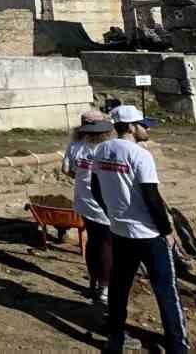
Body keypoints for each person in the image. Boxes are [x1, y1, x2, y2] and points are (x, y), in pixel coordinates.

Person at [89, 104, 187, 354]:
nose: (146, 129)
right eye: (143, 124)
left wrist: (113, 214)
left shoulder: (102, 150)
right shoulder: (140, 155)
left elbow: (96, 187)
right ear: (131, 127)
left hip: (120, 231)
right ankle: (178, 346)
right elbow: (151, 197)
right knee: (167, 291)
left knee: (120, 286)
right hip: (149, 233)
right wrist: (167, 231)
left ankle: (115, 337)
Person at [63, 110, 115, 305]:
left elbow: (67, 170)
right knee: (106, 244)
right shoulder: (105, 148)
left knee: (93, 241)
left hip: (83, 201)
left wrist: (82, 178)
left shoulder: (75, 145)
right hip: (102, 203)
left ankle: (94, 280)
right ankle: (106, 286)